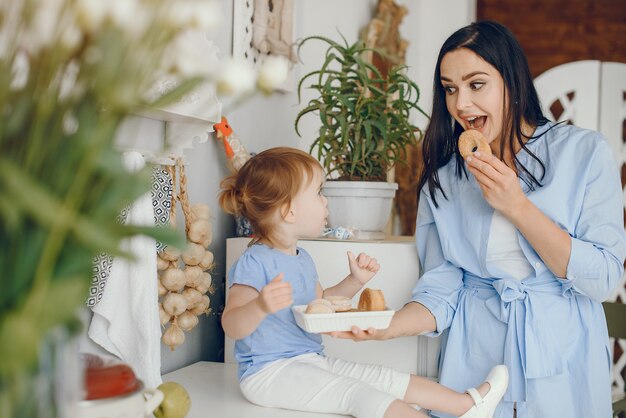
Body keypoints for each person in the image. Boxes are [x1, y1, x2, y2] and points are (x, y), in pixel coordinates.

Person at [334, 20, 626, 418]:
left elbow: (603, 278)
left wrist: (517, 206)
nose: (461, 105)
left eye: (476, 84)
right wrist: (387, 327)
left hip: (562, 356)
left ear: (512, 82)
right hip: (475, 360)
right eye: (450, 89)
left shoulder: (585, 153)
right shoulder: (445, 177)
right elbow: (443, 286)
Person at [218, 147, 509, 418]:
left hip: (309, 360)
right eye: (319, 193)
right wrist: (259, 306)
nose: (326, 201)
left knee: (382, 377)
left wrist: (354, 281)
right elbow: (231, 323)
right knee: (359, 394)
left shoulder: (301, 257)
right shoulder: (253, 261)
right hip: (269, 374)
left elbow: (321, 304)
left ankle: (467, 405)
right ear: (288, 211)